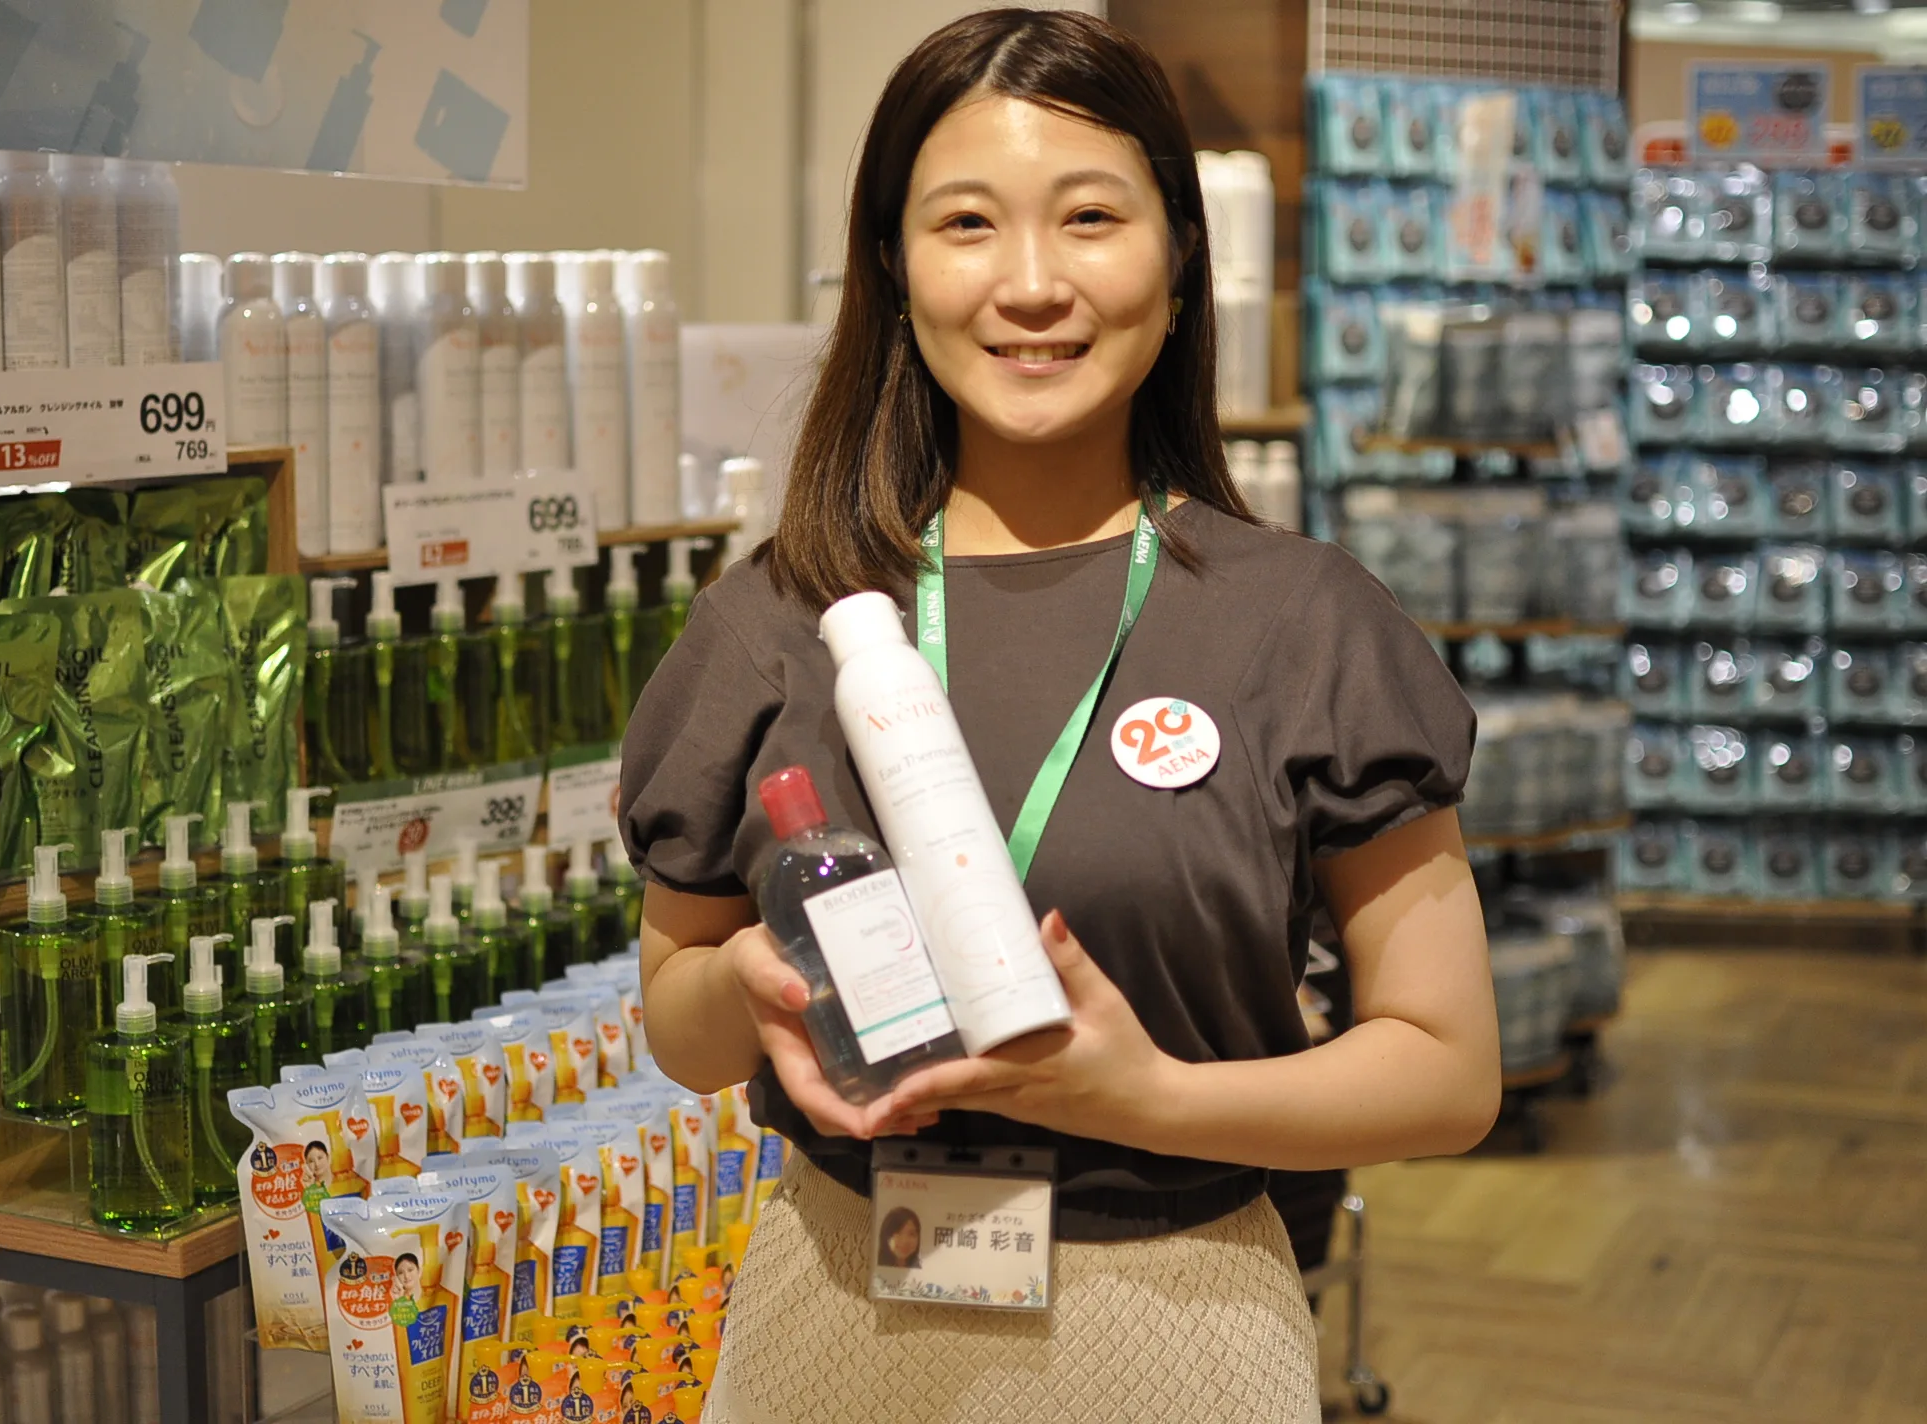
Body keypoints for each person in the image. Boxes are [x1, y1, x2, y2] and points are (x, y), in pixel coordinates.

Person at [619, 9, 1498, 1422]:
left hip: (1179, 1334)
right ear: (894, 268)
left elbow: (1448, 1073)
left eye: (1090, 217)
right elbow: (680, 1022)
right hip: (825, 1327)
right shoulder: (778, 617)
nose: (1031, 284)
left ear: (1180, 257)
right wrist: (752, 991)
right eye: (967, 223)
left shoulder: (1305, 622)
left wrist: (1150, 1098)